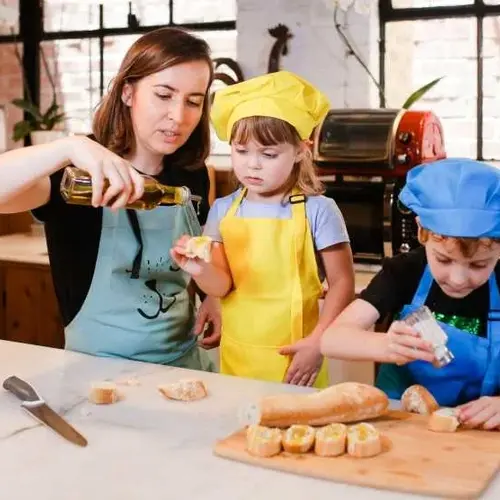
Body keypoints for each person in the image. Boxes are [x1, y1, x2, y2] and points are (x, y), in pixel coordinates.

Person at [0, 27, 220, 370]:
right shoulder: (77, 174)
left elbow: (204, 248)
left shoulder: (193, 173)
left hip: (185, 362)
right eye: (163, 95)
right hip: (95, 373)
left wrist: (213, 298)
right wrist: (69, 146)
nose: (179, 116)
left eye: (193, 101)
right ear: (128, 92)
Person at [172, 70, 355, 387]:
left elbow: (343, 283)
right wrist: (199, 269)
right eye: (241, 151)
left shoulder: (319, 210)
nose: (252, 164)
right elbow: (222, 286)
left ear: (300, 150)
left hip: (298, 358)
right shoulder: (223, 209)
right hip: (239, 357)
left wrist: (319, 342)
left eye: (268, 154)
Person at [321, 158, 500, 429]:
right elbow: (331, 340)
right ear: (421, 231)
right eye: (443, 260)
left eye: (479, 265)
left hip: (477, 434)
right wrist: (385, 346)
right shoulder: (405, 272)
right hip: (400, 426)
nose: (458, 279)